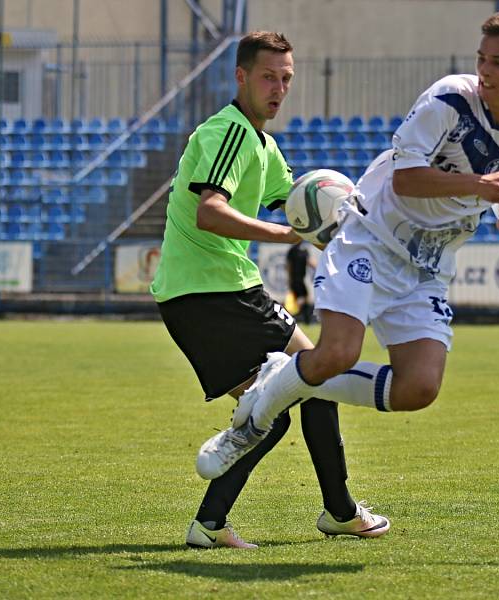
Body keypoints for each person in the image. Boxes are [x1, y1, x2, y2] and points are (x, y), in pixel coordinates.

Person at [197, 11, 499, 479]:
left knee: (418, 388)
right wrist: (479, 184)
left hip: (426, 267)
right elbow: (405, 181)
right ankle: (250, 424)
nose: (485, 71)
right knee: (339, 353)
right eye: (481, 58)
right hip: (369, 237)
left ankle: (285, 374)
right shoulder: (450, 99)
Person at [150, 31, 389, 549]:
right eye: (267, 77)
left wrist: (352, 225)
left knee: (306, 385)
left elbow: (299, 206)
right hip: (210, 295)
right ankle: (335, 512)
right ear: (241, 77)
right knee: (301, 387)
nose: (278, 88)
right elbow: (209, 211)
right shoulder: (227, 132)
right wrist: (285, 234)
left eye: (286, 78)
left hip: (218, 294)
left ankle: (219, 524)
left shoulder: (264, 145)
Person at [286, 240, 316, 324]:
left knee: (303, 298)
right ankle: (303, 317)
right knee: (303, 298)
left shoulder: (293, 250)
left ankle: (303, 317)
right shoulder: (302, 251)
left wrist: (289, 279)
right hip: (299, 278)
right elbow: (311, 263)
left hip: (297, 278)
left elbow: (289, 266)